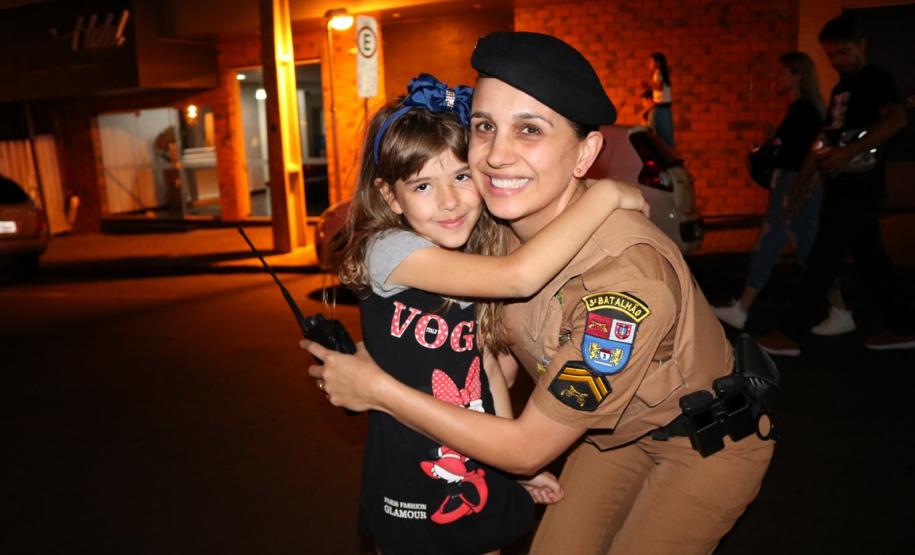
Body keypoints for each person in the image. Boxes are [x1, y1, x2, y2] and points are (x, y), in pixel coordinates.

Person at [305, 33, 774, 555]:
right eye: (484, 127)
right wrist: (401, 359)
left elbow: (526, 448)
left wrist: (379, 390)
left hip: (702, 444)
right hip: (606, 434)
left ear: (585, 153)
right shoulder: (492, 228)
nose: (496, 156)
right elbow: (490, 359)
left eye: (529, 129)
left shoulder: (625, 285)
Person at [331, 73, 647, 555]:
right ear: (391, 197)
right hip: (408, 476)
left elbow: (487, 373)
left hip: (478, 459)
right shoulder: (390, 251)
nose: (450, 201)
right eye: (422, 186)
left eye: (461, 177)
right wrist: (604, 195)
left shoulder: (472, 261)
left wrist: (516, 465)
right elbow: (518, 277)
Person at [757, 15, 912, 356]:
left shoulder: (876, 80)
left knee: (822, 259)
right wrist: (802, 186)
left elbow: (897, 119)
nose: (837, 61)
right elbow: (824, 140)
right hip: (841, 186)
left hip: (860, 187)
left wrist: (848, 153)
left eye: (843, 52)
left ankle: (792, 332)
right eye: (830, 55)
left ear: (861, 45)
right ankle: (903, 326)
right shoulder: (842, 89)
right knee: (872, 260)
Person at [714, 52, 854, 336]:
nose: (777, 78)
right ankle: (742, 309)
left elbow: (809, 155)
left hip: (793, 184)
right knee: (772, 244)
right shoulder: (799, 110)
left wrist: (799, 190)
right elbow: (794, 148)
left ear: (798, 76)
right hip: (788, 183)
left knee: (806, 247)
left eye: (782, 73)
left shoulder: (803, 110)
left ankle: (839, 310)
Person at [640, 52, 674, 147]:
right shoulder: (663, 74)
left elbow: (659, 87)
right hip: (664, 108)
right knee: (666, 136)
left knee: (656, 135)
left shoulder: (657, 73)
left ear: (658, 63)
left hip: (660, 108)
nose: (649, 64)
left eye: (651, 62)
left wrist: (648, 84)